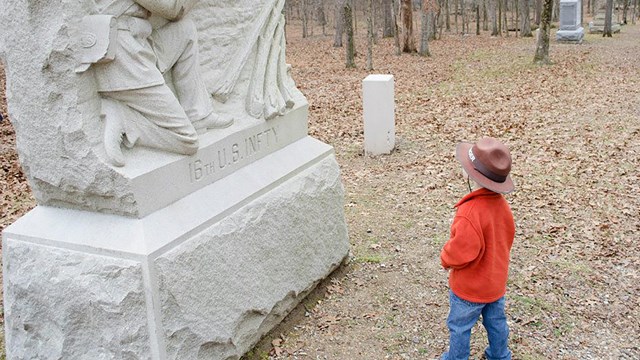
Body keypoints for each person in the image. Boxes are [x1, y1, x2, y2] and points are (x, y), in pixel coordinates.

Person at [91, 0, 232, 166]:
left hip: (140, 42)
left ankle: (198, 113)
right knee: (188, 140)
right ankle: (124, 119)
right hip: (124, 59)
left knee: (185, 29)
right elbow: (172, 9)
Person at [440, 137, 516, 360]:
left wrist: (445, 258)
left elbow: (462, 251)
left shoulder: (470, 212)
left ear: (470, 175)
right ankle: (500, 355)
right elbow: (507, 238)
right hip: (495, 283)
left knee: (460, 326)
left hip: (469, 288)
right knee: (496, 322)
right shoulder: (502, 206)